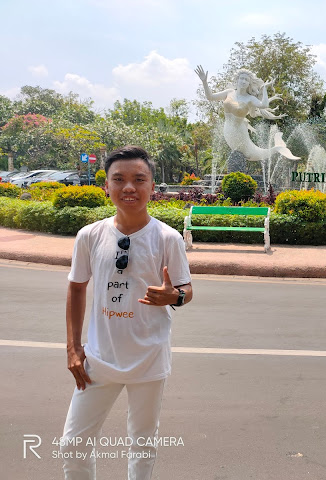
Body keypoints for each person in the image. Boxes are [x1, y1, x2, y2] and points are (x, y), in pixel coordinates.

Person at [61, 145, 193, 479]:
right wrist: (73, 348)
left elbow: (185, 289)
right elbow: (77, 287)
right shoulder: (90, 236)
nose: (129, 187)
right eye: (118, 179)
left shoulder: (167, 237)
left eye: (139, 179)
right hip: (98, 360)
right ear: (106, 185)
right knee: (73, 445)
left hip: (148, 359)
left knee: (142, 446)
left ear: (152, 187)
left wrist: (172, 297)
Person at [195, 65, 299, 161]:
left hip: (240, 133)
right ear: (237, 79)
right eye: (242, 78)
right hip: (227, 131)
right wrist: (204, 81)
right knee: (236, 155)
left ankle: (277, 148)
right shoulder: (229, 92)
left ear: (249, 83)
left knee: (248, 154)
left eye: (246, 80)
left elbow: (264, 105)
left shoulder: (250, 98)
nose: (243, 81)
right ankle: (277, 148)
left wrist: (264, 89)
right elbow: (210, 97)